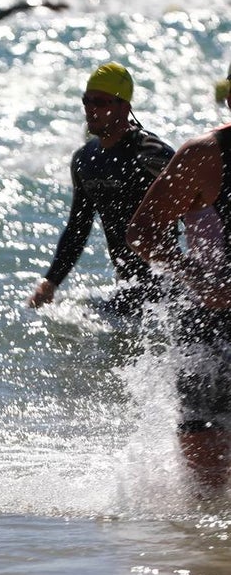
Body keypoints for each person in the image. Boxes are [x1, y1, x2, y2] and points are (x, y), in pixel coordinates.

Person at [127, 61, 231, 497]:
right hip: (210, 322)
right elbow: (142, 232)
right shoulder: (205, 155)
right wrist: (199, 279)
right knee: (206, 495)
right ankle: (203, 554)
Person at [27, 62, 175, 316]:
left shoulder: (149, 152)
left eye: (102, 103)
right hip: (128, 289)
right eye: (88, 101)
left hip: (166, 290)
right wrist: (50, 282)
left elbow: (200, 201)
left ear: (124, 107)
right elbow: (78, 227)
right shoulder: (85, 160)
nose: (92, 110)